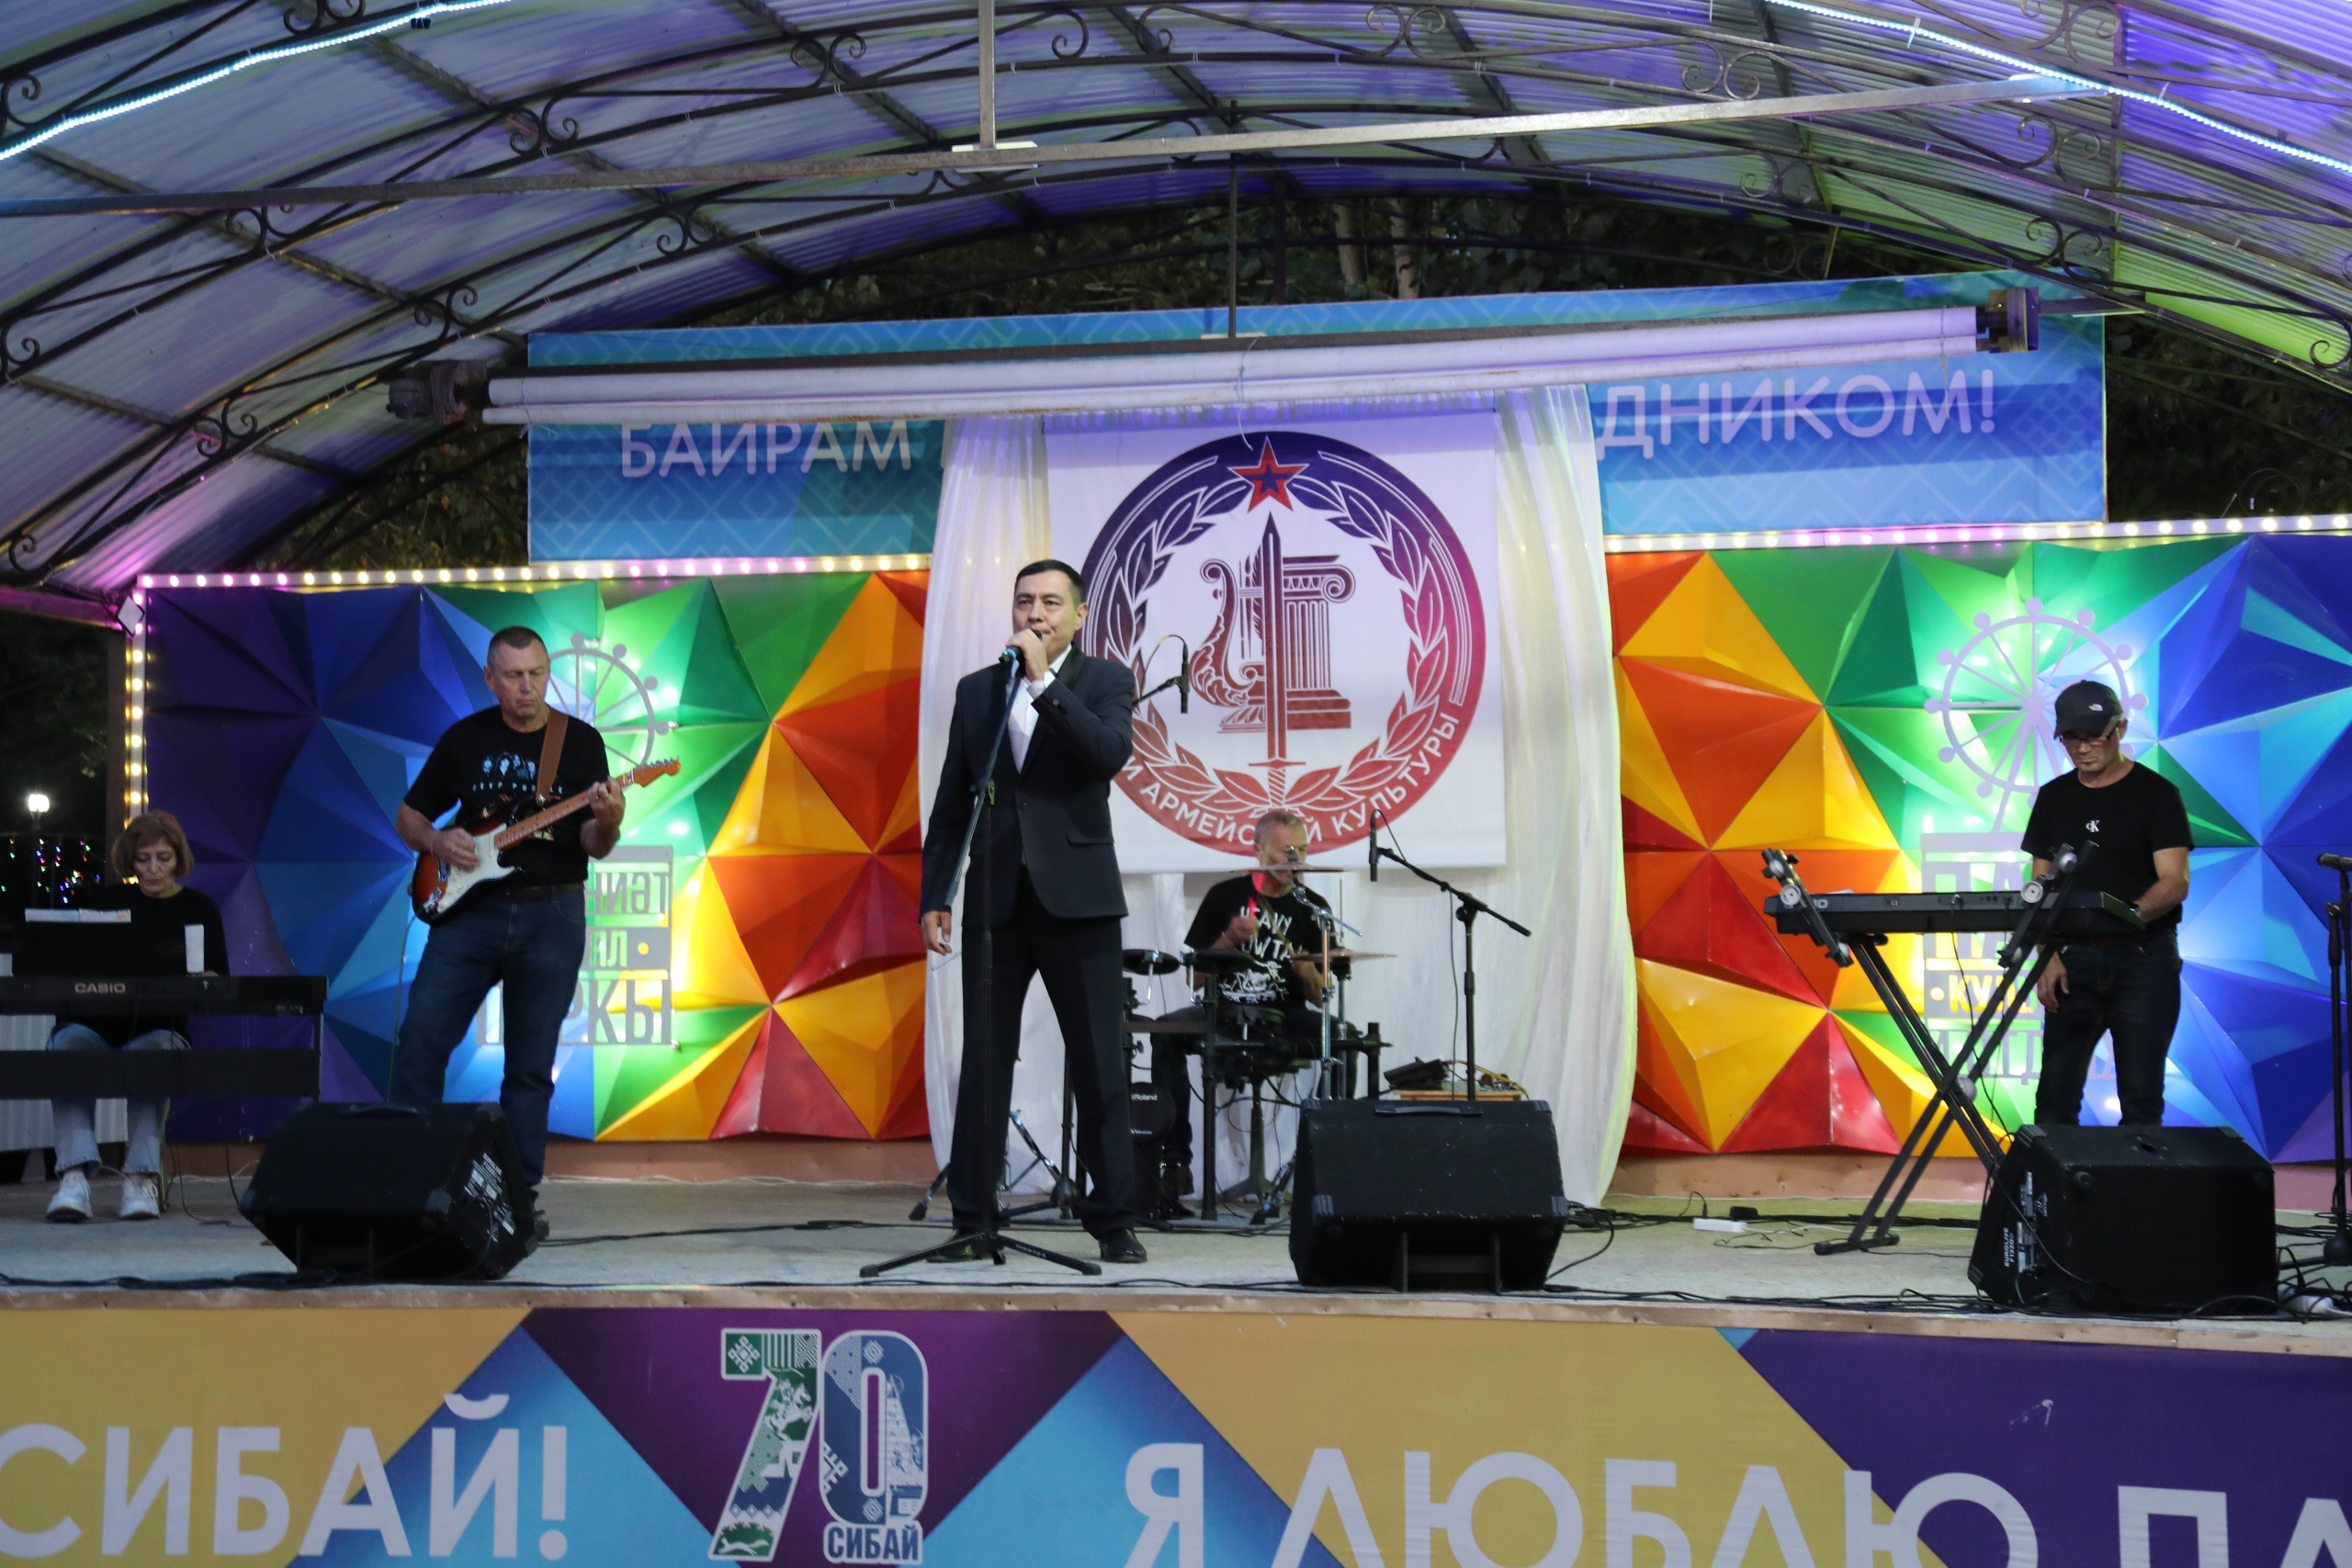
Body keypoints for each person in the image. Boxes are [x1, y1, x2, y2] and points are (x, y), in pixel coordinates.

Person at [920, 559, 1148, 1264]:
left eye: (1051, 602)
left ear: (1079, 615)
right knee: (984, 1063)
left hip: (1079, 899)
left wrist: (1046, 683)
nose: (1035, 613)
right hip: (996, 898)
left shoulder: (1104, 680)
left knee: (1098, 1061)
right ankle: (973, 1219)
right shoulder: (979, 689)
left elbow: (1106, 754)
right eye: (1024, 601)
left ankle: (1114, 1220)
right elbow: (954, 799)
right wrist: (937, 892)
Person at [390, 626, 626, 1236]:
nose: (528, 687)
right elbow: (409, 815)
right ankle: (408, 1180)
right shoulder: (465, 738)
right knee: (420, 1037)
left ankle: (516, 1200)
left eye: (537, 674)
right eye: (515, 676)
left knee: (530, 1064)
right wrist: (437, 839)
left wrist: (609, 821)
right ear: (490, 679)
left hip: (552, 912)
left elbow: (594, 844)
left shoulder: (580, 742)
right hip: (469, 913)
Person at [44, 812, 229, 1224]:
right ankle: (74, 1177)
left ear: (178, 859)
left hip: (160, 1028)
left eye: (163, 858)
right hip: (94, 1025)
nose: (153, 869)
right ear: (131, 861)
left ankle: (140, 1180)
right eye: (143, 859)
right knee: (66, 1046)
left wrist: (202, 979)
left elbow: (219, 976)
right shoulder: (108, 903)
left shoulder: (199, 907)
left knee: (153, 1056)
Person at [2023, 680, 2192, 1127]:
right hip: (2070, 961)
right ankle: (2055, 1177)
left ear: (2121, 728)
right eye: (2071, 738)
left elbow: (2175, 881)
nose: (2083, 748)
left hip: (2144, 960)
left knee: (2141, 1101)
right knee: (2054, 1101)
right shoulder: (2054, 797)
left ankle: (2139, 1177)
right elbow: (2039, 886)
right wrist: (2046, 955)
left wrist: (2129, 916)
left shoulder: (2157, 794)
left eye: (2094, 736)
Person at [1150, 808, 1333, 1216]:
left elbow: (1323, 998)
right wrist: (1228, 940)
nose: (1294, 860)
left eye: (1302, 851)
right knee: (1165, 1031)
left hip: (1283, 1017)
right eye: (1285, 851)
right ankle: (1175, 1163)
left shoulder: (1314, 909)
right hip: (1225, 1011)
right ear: (1258, 850)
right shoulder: (1224, 896)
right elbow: (1194, 978)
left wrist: (1310, 975)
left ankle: (1323, 1158)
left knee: (1341, 1036)